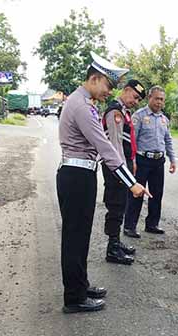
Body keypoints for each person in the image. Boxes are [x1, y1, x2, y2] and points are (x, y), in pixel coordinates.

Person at [58, 53, 150, 314]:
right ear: (95, 78)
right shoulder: (81, 106)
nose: (110, 92)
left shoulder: (81, 102)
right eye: (108, 86)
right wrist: (132, 183)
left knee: (80, 236)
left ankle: (80, 285)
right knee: (75, 239)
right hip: (76, 177)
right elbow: (106, 148)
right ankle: (74, 297)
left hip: (79, 175)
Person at [102, 79, 146, 266]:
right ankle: (112, 249)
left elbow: (129, 142)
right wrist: (124, 172)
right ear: (126, 90)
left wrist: (133, 161)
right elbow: (114, 146)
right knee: (115, 204)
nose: (135, 101)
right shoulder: (115, 112)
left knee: (121, 204)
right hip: (116, 166)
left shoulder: (125, 113)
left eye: (138, 100)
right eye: (135, 97)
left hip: (124, 164)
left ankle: (116, 242)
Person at [123, 86, 176, 237]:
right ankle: (130, 226)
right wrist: (132, 160)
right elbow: (132, 141)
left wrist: (172, 159)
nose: (160, 102)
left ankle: (152, 224)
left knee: (156, 194)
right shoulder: (139, 116)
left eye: (162, 100)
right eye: (157, 98)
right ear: (149, 98)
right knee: (136, 193)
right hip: (142, 161)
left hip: (158, 161)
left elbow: (168, 140)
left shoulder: (164, 119)